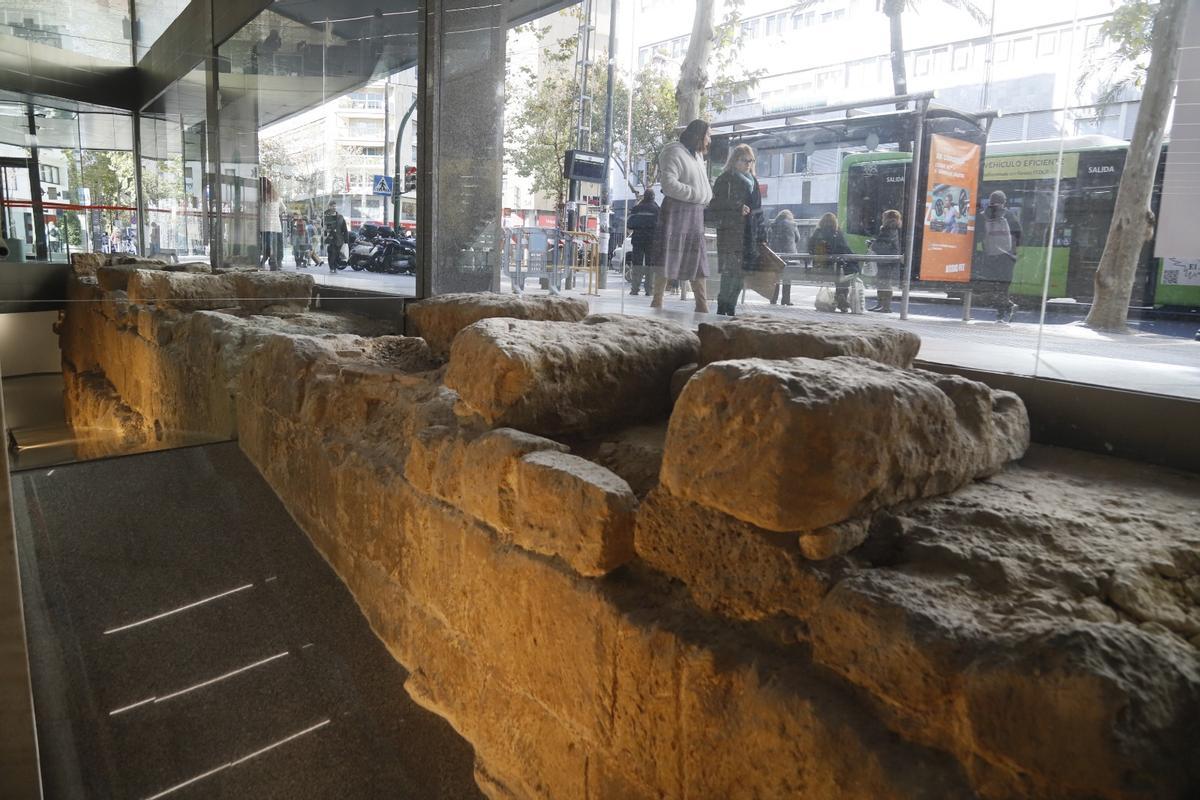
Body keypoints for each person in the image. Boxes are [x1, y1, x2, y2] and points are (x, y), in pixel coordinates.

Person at [650, 119, 714, 312]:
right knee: (669, 255)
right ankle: (657, 301)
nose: (709, 139)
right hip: (677, 212)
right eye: (708, 135)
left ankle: (701, 304)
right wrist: (697, 194)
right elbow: (668, 184)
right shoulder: (673, 152)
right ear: (699, 135)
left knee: (696, 258)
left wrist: (701, 196)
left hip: (694, 214)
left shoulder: (696, 156)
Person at [709, 143, 764, 317]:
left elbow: (759, 211)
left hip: (749, 233)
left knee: (741, 274)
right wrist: (737, 207)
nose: (748, 164)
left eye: (751, 161)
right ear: (734, 160)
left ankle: (731, 307)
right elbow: (715, 204)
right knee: (729, 272)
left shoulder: (753, 181)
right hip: (730, 233)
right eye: (744, 160)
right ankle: (723, 306)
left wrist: (761, 235)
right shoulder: (725, 179)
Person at [973, 190, 1023, 324]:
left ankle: (1005, 310)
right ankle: (1004, 312)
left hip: (991, 256)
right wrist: (1013, 251)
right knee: (1003, 287)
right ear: (1004, 202)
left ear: (990, 201)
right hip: (1007, 257)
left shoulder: (983, 216)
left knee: (993, 286)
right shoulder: (1010, 215)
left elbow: (977, 237)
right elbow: (1019, 236)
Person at [808, 212, 854, 312]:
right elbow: (844, 248)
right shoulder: (837, 233)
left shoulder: (817, 232)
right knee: (845, 275)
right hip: (834, 267)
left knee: (840, 273)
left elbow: (810, 248)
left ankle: (839, 298)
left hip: (820, 266)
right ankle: (841, 298)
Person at [625, 190, 659, 296]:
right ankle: (649, 290)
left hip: (638, 239)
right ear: (653, 197)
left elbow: (629, 224)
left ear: (644, 196)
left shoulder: (637, 208)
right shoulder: (657, 209)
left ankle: (635, 289)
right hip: (652, 240)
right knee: (651, 265)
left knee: (637, 264)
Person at [868, 209, 902, 313]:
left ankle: (885, 306)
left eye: (883, 217)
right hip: (888, 260)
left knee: (884, 283)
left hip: (886, 260)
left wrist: (873, 244)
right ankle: (882, 305)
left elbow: (883, 243)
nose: (882, 219)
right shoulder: (892, 228)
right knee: (883, 282)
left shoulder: (888, 228)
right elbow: (885, 242)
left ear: (887, 218)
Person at [768, 209, 802, 305]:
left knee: (775, 278)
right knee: (787, 277)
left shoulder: (773, 225)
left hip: (775, 255)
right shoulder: (792, 225)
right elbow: (797, 238)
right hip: (789, 255)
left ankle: (773, 299)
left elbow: (768, 239)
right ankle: (785, 300)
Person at [258, 179, 284, 270]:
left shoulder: (261, 199)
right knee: (273, 247)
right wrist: (276, 215)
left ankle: (268, 262)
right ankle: (273, 263)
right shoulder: (277, 198)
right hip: (274, 226)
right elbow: (283, 209)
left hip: (266, 226)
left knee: (268, 246)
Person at [322, 201, 348, 272]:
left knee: (337, 254)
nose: (334, 208)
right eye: (332, 206)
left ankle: (335, 267)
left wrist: (346, 240)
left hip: (339, 239)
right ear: (329, 207)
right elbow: (323, 228)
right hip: (330, 238)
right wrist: (325, 237)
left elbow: (345, 229)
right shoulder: (325, 217)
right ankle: (332, 268)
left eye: (335, 206)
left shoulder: (340, 217)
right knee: (332, 253)